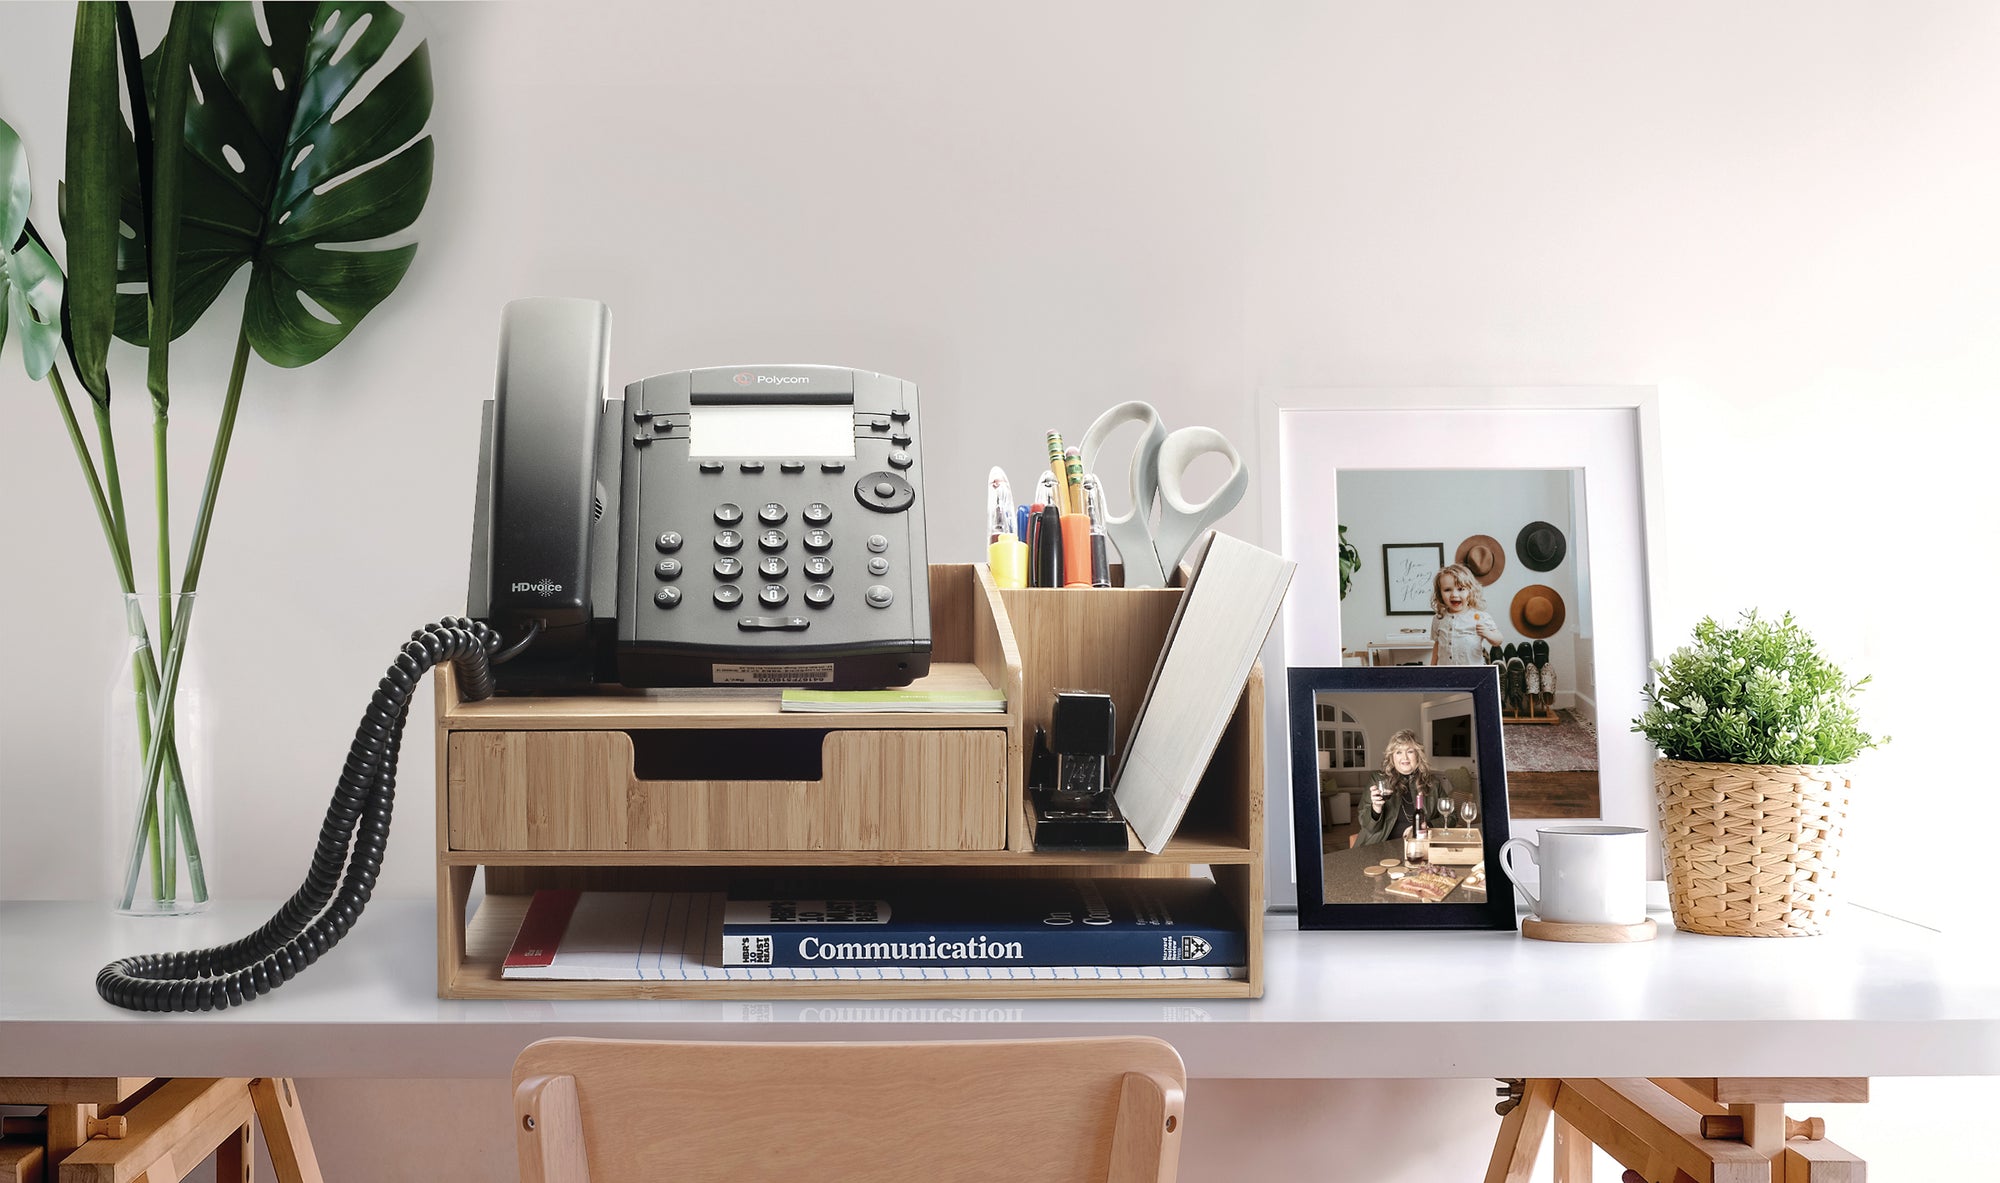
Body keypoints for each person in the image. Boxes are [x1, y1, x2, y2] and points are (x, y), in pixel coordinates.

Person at [1357, 729, 1454, 846]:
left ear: (1418, 755)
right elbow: (1367, 826)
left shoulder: (1432, 783)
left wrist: (1428, 825)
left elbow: (1452, 817)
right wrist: (1376, 809)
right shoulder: (1378, 780)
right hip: (1382, 845)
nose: (1405, 758)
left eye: (1410, 751)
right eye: (1398, 752)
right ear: (1392, 757)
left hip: (1421, 845)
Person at [1429, 562, 1504, 666]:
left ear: (1470, 591)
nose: (1454, 594)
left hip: (1473, 673)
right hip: (1445, 673)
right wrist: (1432, 668)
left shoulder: (1480, 617)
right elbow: (1437, 646)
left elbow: (1498, 640)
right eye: (1447, 590)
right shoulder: (1438, 619)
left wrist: (1488, 634)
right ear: (1440, 593)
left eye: (1461, 589)